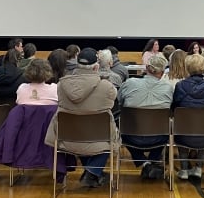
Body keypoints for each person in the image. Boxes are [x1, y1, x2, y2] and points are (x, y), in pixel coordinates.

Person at [45, 48, 118, 188]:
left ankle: (92, 172)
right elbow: (112, 102)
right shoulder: (107, 87)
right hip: (99, 139)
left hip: (67, 139)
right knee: (108, 135)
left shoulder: (61, 85)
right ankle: (92, 172)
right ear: (96, 66)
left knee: (84, 132)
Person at [118, 54, 174, 180]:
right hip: (159, 136)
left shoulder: (129, 83)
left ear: (147, 68)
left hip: (131, 135)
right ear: (162, 72)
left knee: (124, 127)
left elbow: (120, 103)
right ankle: (151, 163)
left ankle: (145, 163)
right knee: (165, 128)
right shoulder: (168, 88)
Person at [172, 53, 204, 180]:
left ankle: (183, 169)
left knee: (183, 124)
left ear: (187, 67)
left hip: (183, 135)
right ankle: (198, 168)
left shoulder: (180, 86)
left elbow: (175, 108)